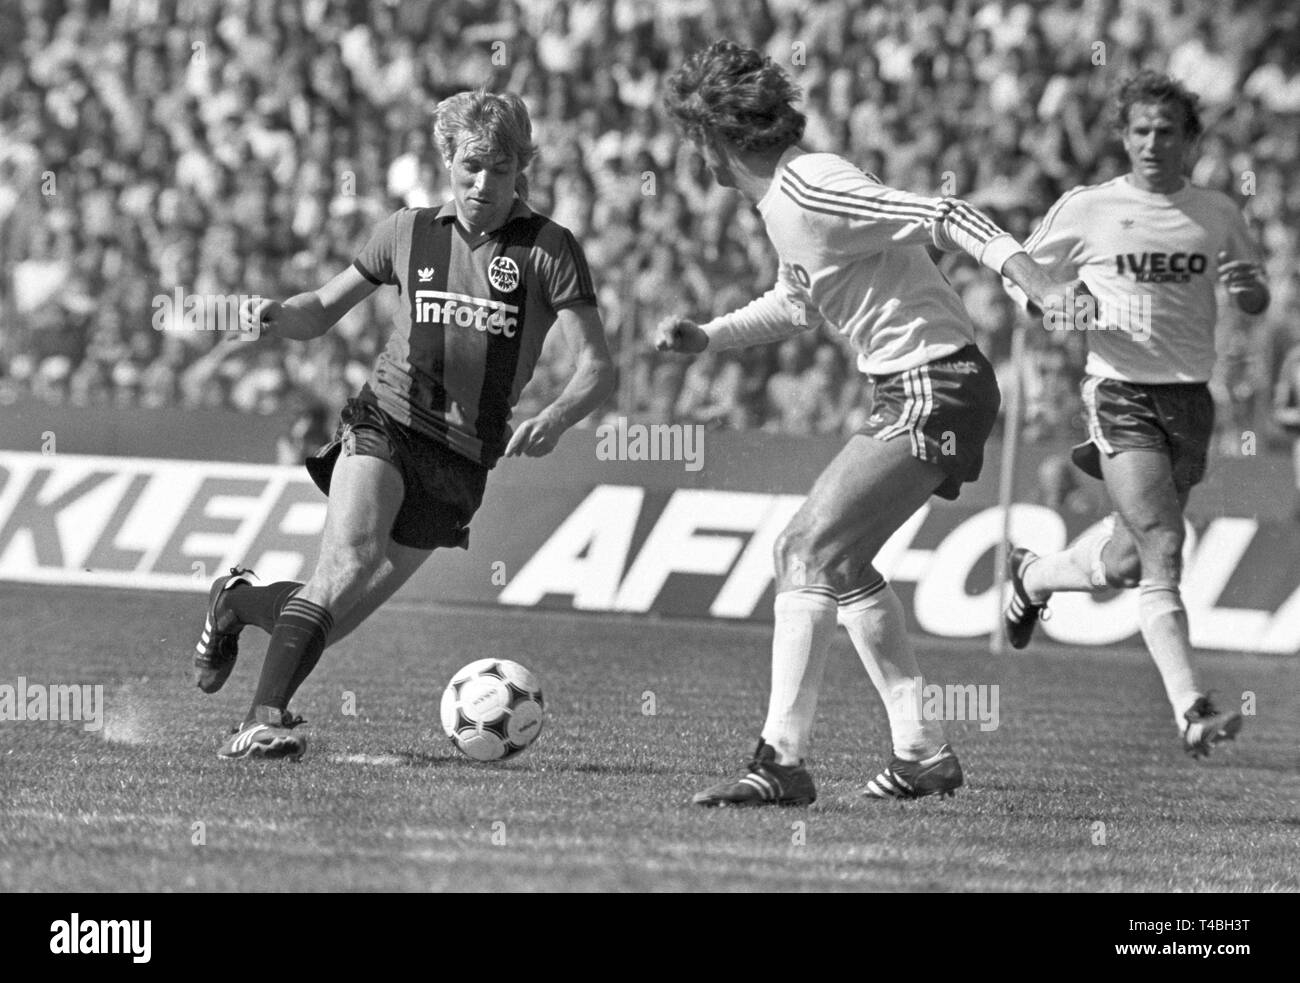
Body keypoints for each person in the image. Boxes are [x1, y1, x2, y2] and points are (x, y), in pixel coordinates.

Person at [655, 41, 1083, 805]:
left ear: (714, 138)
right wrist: (709, 336)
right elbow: (796, 300)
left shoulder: (812, 184)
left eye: (695, 140)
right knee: (842, 565)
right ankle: (921, 751)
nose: (696, 158)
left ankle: (780, 762)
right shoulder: (783, 201)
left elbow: (943, 213)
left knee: (803, 547)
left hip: (935, 381)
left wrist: (1032, 277)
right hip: (917, 384)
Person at [195, 90, 616, 760]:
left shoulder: (549, 249)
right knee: (346, 565)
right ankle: (262, 717)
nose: (484, 183)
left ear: (520, 170)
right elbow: (322, 309)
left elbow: (599, 368)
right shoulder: (405, 232)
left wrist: (558, 416)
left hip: (463, 460)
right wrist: (276, 313)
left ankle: (237, 602)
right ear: (447, 158)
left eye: (500, 169)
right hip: (386, 419)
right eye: (471, 165)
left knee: (328, 615)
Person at [1001, 71, 1269, 758]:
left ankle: (1031, 576)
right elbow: (1018, 268)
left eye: (1166, 131)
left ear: (1190, 140)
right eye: (1140, 130)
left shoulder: (1216, 212)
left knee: (1126, 560)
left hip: (1190, 398)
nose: (1152, 142)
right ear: (1123, 137)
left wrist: (1251, 288)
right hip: (1119, 390)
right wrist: (1050, 300)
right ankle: (1192, 708)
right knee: (1163, 541)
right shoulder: (1090, 207)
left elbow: (1254, 289)